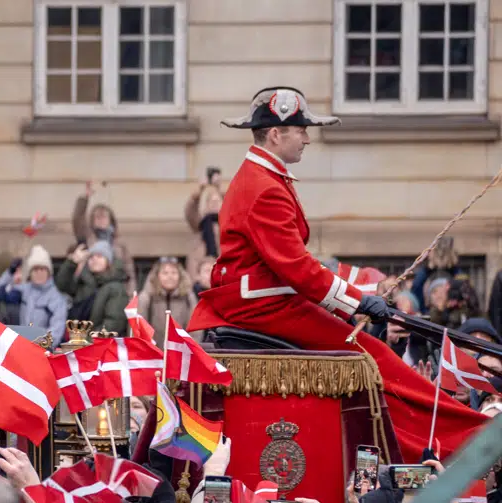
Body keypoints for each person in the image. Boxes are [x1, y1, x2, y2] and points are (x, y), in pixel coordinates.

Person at [187, 86, 487, 461]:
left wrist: (356, 296)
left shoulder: (262, 178)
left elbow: (296, 263)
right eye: (301, 131)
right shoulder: (264, 187)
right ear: (277, 134)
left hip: (268, 298)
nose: (308, 139)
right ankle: (463, 439)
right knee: (373, 360)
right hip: (265, 306)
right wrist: (358, 301)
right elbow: (297, 268)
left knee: (375, 355)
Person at [57, 240, 130, 336]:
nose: (94, 259)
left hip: (100, 345)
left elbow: (114, 322)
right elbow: (62, 285)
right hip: (79, 342)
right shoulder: (85, 283)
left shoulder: (116, 288)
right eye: (91, 257)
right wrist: (72, 262)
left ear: (108, 262)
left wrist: (88, 340)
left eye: (99, 256)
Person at [72, 181, 135, 288]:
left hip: (116, 290)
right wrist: (85, 198)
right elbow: (77, 220)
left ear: (111, 220)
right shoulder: (88, 238)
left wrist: (131, 300)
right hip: (93, 289)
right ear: (92, 220)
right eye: (97, 217)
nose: (101, 219)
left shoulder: (120, 246)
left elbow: (130, 274)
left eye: (104, 216)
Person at [136, 256, 197, 344]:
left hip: (181, 352)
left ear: (180, 276)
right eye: (165, 273)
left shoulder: (188, 297)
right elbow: (139, 328)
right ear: (157, 275)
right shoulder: (146, 297)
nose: (170, 276)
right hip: (154, 352)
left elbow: (195, 330)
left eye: (174, 273)